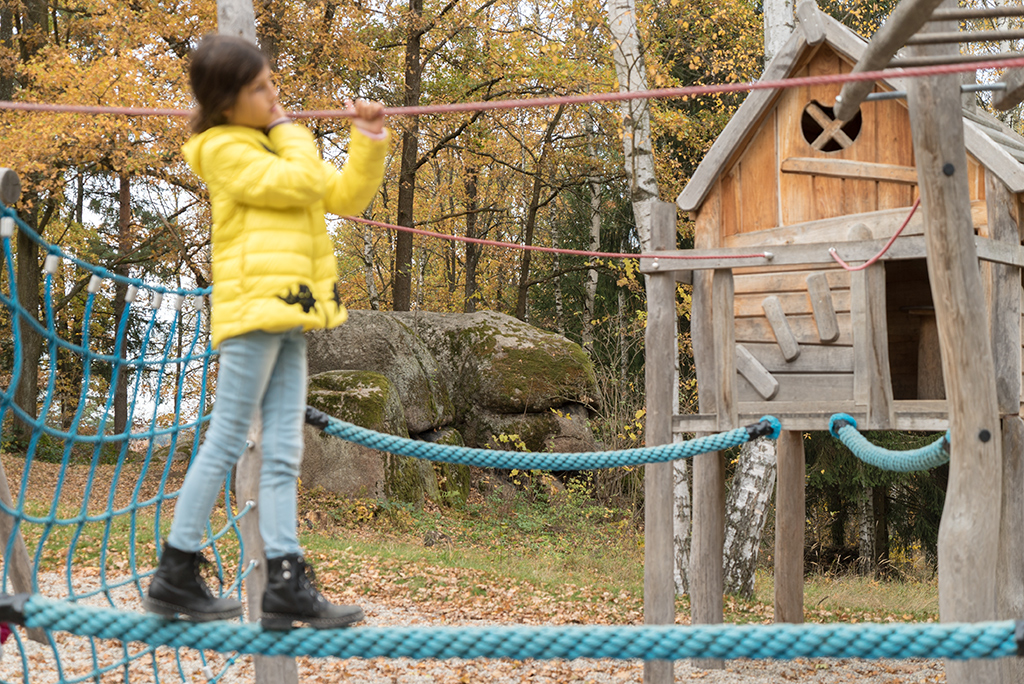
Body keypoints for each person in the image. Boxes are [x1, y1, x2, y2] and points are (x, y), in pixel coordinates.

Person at [143, 34, 389, 630]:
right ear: (227, 101)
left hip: (292, 312)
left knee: (283, 452)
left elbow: (344, 196)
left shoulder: (273, 145)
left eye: (272, 83)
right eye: (260, 88)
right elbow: (300, 184)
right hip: (253, 311)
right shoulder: (222, 148)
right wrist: (289, 129)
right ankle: (174, 570)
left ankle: (285, 581)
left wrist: (369, 137)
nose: (274, 95)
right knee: (228, 437)